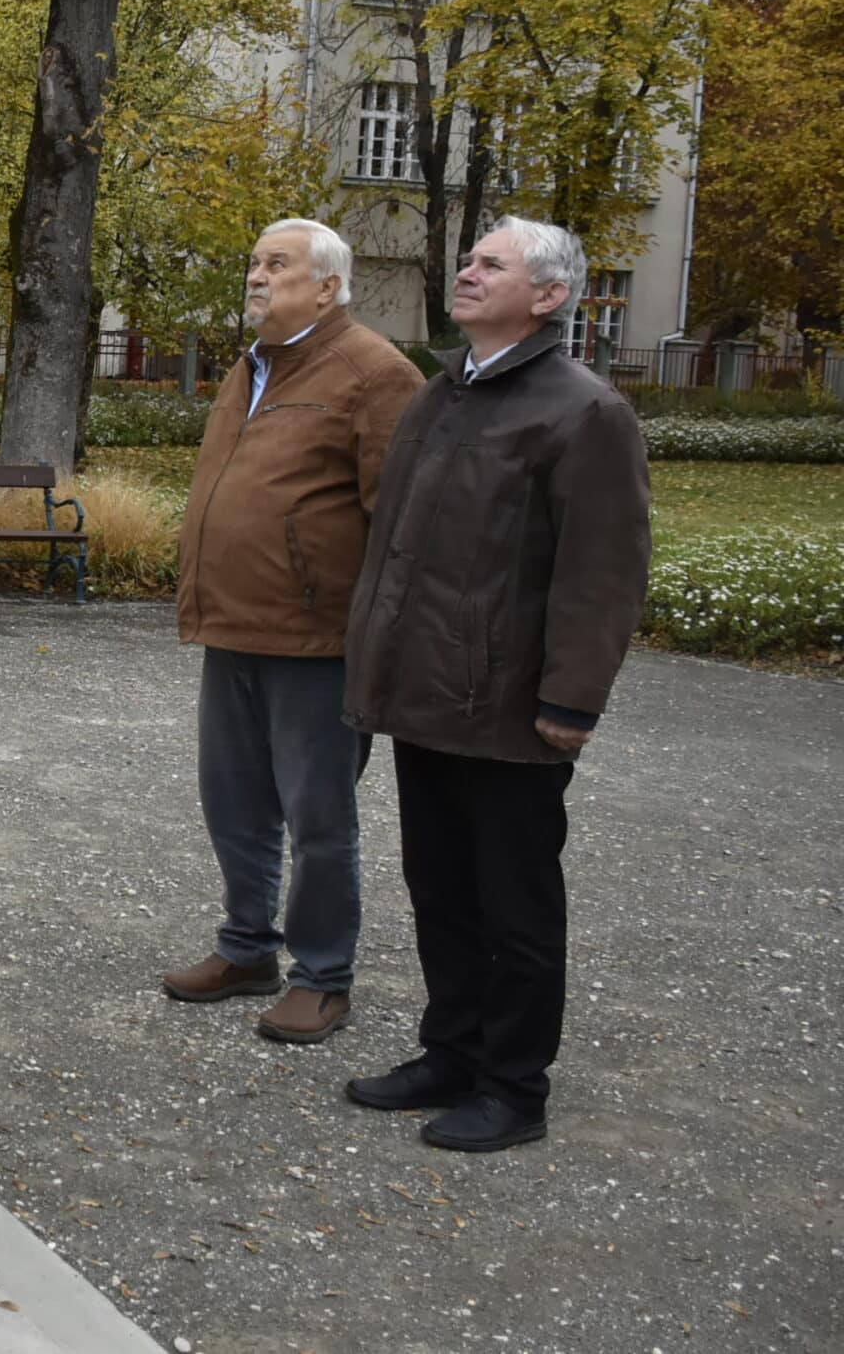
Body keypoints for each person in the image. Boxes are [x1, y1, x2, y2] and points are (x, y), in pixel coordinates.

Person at [341, 215, 651, 1152]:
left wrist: (571, 698)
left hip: (510, 707)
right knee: (439, 888)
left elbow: (604, 569)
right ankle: (452, 1052)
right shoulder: (443, 394)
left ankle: (514, 1086)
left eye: (492, 263)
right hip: (425, 691)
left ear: (549, 296)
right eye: (469, 259)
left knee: (514, 906)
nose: (468, 272)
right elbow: (398, 548)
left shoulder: (583, 412)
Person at [162, 219, 423, 1045]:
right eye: (253, 262)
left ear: (328, 287)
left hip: (317, 644)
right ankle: (247, 948)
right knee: (234, 805)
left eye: (277, 264)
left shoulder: (376, 373)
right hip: (233, 626)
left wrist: (382, 644)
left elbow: (401, 525)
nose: (256, 275)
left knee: (318, 821)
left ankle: (323, 975)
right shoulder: (252, 366)